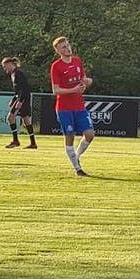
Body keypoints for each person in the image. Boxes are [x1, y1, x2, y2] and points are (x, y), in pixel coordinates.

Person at [49, 37, 95, 177]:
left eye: (67, 45)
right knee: (70, 136)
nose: (67, 48)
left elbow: (84, 82)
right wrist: (73, 90)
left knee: (90, 134)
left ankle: (76, 156)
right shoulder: (56, 66)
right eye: (63, 47)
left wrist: (88, 82)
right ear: (58, 51)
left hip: (79, 106)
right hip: (64, 108)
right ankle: (77, 168)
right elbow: (55, 90)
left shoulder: (77, 61)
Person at [1, 56, 37, 149]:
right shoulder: (14, 74)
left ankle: (15, 141)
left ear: (10, 64)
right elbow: (18, 90)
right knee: (26, 120)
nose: (4, 69)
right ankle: (33, 143)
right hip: (22, 98)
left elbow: (24, 88)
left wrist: (20, 101)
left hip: (23, 99)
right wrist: (13, 99)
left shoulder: (17, 74)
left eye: (5, 66)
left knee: (10, 117)